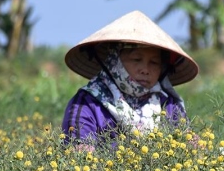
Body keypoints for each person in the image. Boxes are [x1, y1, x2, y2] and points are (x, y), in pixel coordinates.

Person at [62, 10, 199, 148]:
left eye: (154, 63)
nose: (145, 69)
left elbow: (190, 149)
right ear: (115, 61)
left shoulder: (168, 105)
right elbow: (79, 153)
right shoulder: (87, 103)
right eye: (136, 59)